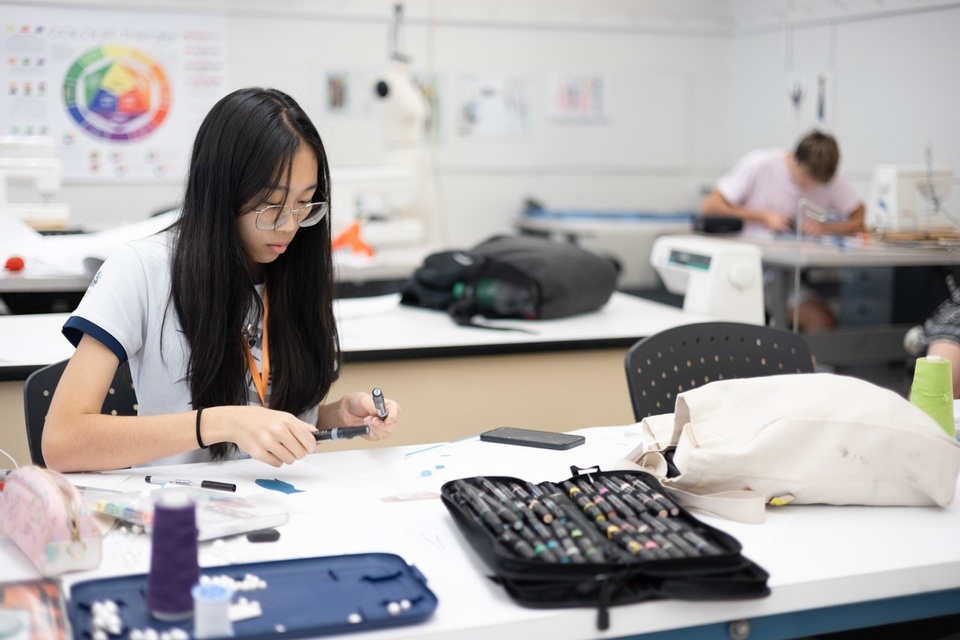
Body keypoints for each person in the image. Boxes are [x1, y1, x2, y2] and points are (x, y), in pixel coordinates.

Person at [43, 87, 400, 472]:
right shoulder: (142, 268)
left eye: (304, 203)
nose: (290, 226)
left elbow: (269, 417)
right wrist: (220, 422)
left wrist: (334, 416)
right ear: (221, 192)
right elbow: (63, 442)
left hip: (282, 502)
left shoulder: (294, 268)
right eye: (271, 204)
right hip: (180, 507)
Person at [700, 130, 866, 331]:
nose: (810, 185)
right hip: (748, 271)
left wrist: (826, 229)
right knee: (747, 328)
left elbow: (860, 218)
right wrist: (763, 216)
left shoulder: (827, 176)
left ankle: (802, 361)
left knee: (822, 321)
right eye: (806, 178)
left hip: (786, 277)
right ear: (794, 158)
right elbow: (710, 206)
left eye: (817, 182)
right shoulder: (761, 164)